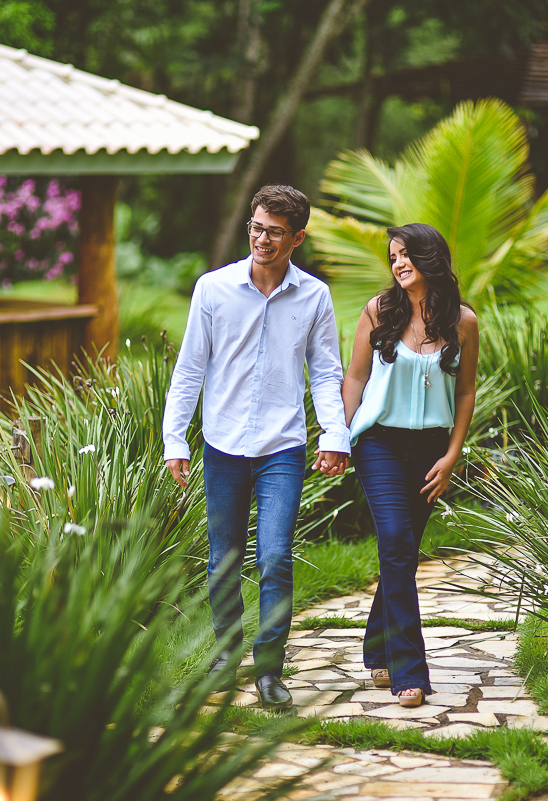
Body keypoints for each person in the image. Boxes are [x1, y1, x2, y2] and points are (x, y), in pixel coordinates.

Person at [163, 185, 350, 712]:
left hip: (282, 447)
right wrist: (175, 437)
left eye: (274, 231)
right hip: (222, 444)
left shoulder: (314, 296)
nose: (262, 238)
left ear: (297, 238)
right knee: (223, 558)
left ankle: (269, 669)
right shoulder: (213, 289)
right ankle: (225, 655)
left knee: (274, 557)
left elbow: (326, 372)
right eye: (256, 226)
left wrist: (335, 436)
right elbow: (190, 368)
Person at [341, 223, 479, 707]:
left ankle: (376, 646)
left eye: (406, 255)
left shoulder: (462, 321)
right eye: (393, 256)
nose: (398, 263)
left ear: (429, 259)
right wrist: (341, 437)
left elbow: (464, 391)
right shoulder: (379, 311)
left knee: (401, 551)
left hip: (430, 450)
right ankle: (408, 670)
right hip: (377, 442)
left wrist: (452, 454)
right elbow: (355, 378)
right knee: (397, 542)